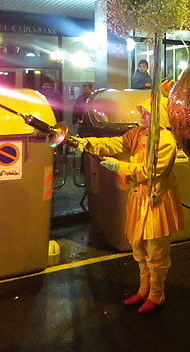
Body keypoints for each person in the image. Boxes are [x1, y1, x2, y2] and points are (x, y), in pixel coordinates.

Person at [75, 96, 183, 313]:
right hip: (138, 199)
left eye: (146, 112)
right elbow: (116, 143)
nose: (141, 115)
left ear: (159, 116)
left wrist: (119, 167)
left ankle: (156, 294)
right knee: (138, 245)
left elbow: (147, 173)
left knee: (156, 250)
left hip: (156, 201)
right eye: (142, 110)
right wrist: (88, 143)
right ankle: (144, 289)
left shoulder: (166, 142)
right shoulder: (139, 133)